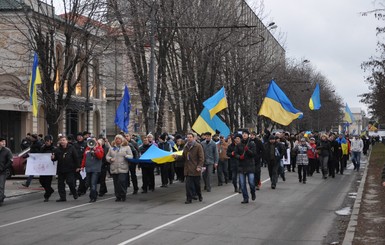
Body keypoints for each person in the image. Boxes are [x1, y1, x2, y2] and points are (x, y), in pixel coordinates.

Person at [173, 133, 204, 204]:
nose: (189, 138)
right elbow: (183, 157)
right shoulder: (186, 146)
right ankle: (188, 199)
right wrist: (177, 157)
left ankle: (199, 195)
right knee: (188, 185)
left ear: (193, 138)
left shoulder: (198, 146)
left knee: (197, 185)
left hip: (196, 169)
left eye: (190, 137)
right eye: (188, 137)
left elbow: (201, 158)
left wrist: (199, 166)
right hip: (187, 169)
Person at [52, 136, 80, 202]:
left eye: (64, 140)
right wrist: (53, 158)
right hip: (61, 169)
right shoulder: (57, 149)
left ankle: (74, 192)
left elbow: (76, 158)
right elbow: (55, 158)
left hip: (70, 169)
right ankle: (62, 197)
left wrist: (78, 167)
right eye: (61, 140)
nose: (62, 142)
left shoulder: (71, 148)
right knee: (60, 184)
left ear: (67, 141)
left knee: (70, 182)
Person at [106, 134, 133, 202]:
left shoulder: (126, 147)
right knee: (116, 183)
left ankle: (123, 194)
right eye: (116, 139)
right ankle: (118, 196)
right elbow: (107, 156)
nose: (117, 140)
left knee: (121, 181)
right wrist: (110, 159)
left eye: (119, 139)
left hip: (123, 167)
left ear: (122, 140)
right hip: (114, 168)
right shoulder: (112, 148)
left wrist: (126, 156)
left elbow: (131, 156)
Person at [233, 130, 256, 204]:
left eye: (246, 134)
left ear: (248, 135)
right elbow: (235, 154)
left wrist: (248, 150)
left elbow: (253, 154)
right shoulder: (239, 145)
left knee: (251, 182)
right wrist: (239, 157)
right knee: (242, 184)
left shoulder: (251, 143)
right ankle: (245, 198)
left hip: (250, 166)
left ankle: (253, 192)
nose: (244, 135)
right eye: (243, 134)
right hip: (241, 166)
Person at [81, 137, 104, 202]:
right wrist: (82, 166)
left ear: (96, 141)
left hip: (95, 169)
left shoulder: (99, 148)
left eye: (94, 141)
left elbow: (100, 156)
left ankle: (93, 197)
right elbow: (84, 158)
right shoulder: (87, 149)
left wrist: (95, 150)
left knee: (93, 183)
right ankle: (94, 194)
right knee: (88, 183)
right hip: (88, 168)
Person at [40, 135, 56, 202]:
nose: (46, 142)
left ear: (51, 141)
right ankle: (50, 190)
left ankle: (47, 195)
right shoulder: (42, 148)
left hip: (50, 169)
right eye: (45, 141)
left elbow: (56, 157)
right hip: (43, 168)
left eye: (48, 141)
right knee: (41, 181)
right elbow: (39, 156)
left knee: (47, 182)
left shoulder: (54, 149)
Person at [0, 137, 13, 206]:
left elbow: (11, 161)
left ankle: (0, 199)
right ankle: (2, 196)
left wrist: (4, 167)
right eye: (2, 142)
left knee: (1, 186)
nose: (3, 143)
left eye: (4, 142)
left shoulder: (7, 151)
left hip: (2, 172)